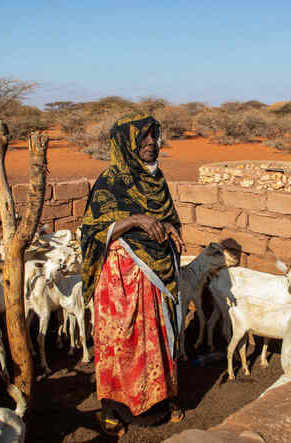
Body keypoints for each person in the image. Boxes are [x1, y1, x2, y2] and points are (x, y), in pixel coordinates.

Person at [80, 112, 186, 436]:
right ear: (127, 143)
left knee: (157, 339)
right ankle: (115, 411)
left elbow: (167, 218)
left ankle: (157, 405)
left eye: (155, 136)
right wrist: (136, 220)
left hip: (153, 277)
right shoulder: (110, 181)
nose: (152, 144)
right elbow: (92, 231)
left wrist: (168, 228)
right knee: (121, 343)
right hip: (119, 282)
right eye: (144, 138)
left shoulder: (156, 180)